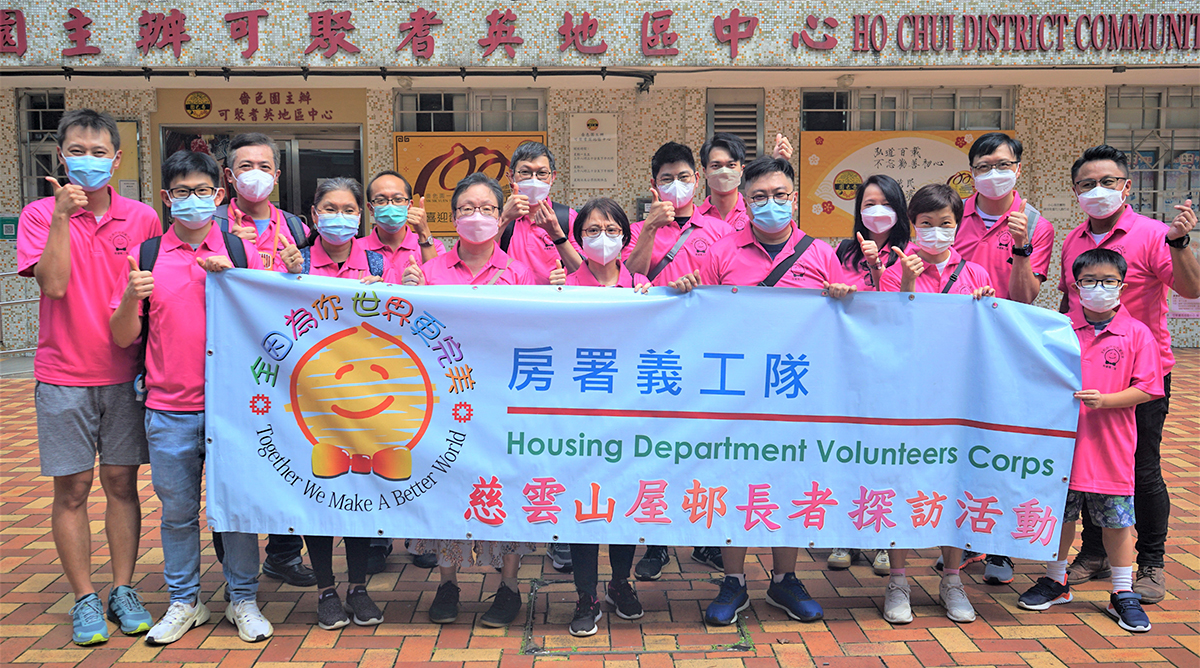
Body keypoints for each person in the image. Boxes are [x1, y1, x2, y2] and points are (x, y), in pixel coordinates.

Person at [109, 150, 280, 645]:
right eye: (182, 192)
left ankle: (242, 598)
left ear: (219, 195)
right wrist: (131, 296)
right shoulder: (144, 257)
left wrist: (236, 279)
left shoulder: (240, 253)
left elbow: (269, 327)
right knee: (178, 514)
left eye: (202, 191)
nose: (193, 200)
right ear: (166, 198)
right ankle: (185, 601)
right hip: (168, 410)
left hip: (233, 411)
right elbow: (122, 336)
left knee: (237, 510)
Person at [685, 155, 855, 626]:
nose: (770, 204)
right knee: (734, 479)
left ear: (794, 198)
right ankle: (733, 581)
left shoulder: (820, 254)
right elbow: (699, 318)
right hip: (736, 393)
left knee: (791, 480)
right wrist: (685, 291)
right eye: (759, 196)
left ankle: (784, 579)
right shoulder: (721, 251)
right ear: (744, 200)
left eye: (779, 195)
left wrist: (845, 297)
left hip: (796, 392)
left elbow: (849, 323)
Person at [16, 109, 161, 645]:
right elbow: (53, 285)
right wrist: (61, 216)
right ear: (61, 156)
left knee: (122, 483)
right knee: (72, 488)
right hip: (63, 375)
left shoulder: (143, 218)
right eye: (77, 151)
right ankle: (83, 597)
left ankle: (123, 589)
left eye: (99, 153)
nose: (88, 161)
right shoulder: (38, 214)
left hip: (125, 374)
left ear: (117, 160)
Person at [1057, 145, 1199, 603]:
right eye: (1087, 184)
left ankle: (1151, 562)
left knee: (1142, 469)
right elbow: (1067, 301)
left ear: (1126, 186)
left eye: (1108, 182)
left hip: (1141, 377)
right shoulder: (1073, 241)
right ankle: (1094, 553)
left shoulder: (1154, 234)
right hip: (1085, 377)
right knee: (1087, 466)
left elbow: (1191, 288)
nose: (1097, 190)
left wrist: (1181, 243)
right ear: (1075, 190)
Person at [402, 173, 535, 627]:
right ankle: (448, 583)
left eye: (486, 209)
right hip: (445, 404)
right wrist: (407, 294)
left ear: (501, 217)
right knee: (446, 487)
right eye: (466, 209)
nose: (476, 216)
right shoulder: (430, 272)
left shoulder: (519, 273)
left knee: (504, 489)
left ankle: (509, 586)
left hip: (501, 402)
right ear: (453, 216)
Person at [1017, 248, 1161, 634]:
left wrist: (1106, 401)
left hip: (1111, 447)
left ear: (1122, 286)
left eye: (1108, 281)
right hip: (1061, 447)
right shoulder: (1060, 330)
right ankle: (1056, 580)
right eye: (1089, 281)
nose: (1099, 288)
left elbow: (1148, 387)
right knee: (1060, 517)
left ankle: (1122, 591)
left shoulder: (1137, 334)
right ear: (1075, 286)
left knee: (1117, 522)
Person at [877, 183, 994, 626]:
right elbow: (889, 328)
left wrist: (987, 306)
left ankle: (952, 579)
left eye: (945, 224)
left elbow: (989, 335)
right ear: (912, 225)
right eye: (926, 223)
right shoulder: (895, 271)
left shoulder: (976, 274)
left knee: (956, 483)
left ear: (958, 225)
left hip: (959, 399)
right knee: (901, 481)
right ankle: (898, 581)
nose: (936, 231)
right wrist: (908, 281)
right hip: (907, 397)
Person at [950, 134, 1058, 585]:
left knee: (1001, 446)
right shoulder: (954, 216)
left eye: (1002, 164)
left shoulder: (1035, 224)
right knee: (960, 442)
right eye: (982, 166)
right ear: (970, 172)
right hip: (957, 349)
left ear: (1018, 168)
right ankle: (963, 537)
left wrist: (1021, 246)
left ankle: (1000, 548)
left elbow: (1025, 296)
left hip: (1007, 351)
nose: (992, 174)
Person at [210, 132, 317, 589]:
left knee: (288, 454)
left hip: (285, 364)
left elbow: (310, 291)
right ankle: (234, 565)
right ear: (229, 176)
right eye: (245, 166)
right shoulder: (211, 222)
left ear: (277, 174)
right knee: (233, 462)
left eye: (264, 166)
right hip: (231, 363)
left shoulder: (295, 227)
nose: (255, 174)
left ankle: (283, 554)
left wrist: (297, 271)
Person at [623, 141, 734, 580]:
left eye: (683, 177)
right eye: (666, 178)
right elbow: (631, 276)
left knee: (703, 443)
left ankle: (707, 538)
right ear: (653, 183)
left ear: (697, 179)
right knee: (657, 445)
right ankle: (657, 542)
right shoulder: (638, 228)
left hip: (705, 350)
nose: (676, 185)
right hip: (654, 354)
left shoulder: (720, 230)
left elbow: (731, 285)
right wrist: (650, 229)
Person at [286, 177, 387, 630]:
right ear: (313, 214)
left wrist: (394, 288)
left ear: (360, 216)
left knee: (362, 493)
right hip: (313, 399)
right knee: (320, 494)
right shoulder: (298, 262)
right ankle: (326, 589)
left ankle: (358, 587)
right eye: (330, 208)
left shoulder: (377, 262)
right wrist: (287, 278)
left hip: (369, 400)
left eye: (348, 209)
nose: (339, 217)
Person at [546, 197, 647, 636]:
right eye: (591, 230)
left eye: (611, 230)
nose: (602, 238)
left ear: (625, 237)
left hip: (629, 416)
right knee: (583, 504)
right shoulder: (562, 286)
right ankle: (585, 594)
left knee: (625, 500)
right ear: (578, 238)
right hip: (579, 419)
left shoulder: (642, 285)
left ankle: (620, 583)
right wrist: (552, 298)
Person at [823, 175, 912, 576]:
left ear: (899, 209)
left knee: (886, 450)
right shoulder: (843, 252)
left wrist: (879, 270)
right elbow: (826, 297)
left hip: (894, 368)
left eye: (885, 203)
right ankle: (847, 533)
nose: (877, 211)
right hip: (849, 364)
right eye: (868, 204)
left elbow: (906, 307)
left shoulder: (913, 252)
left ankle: (883, 537)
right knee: (849, 449)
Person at [497, 141, 583, 284]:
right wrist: (504, 218)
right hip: (511, 296)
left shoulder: (568, 217)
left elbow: (583, 272)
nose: (534, 179)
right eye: (525, 172)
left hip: (554, 297)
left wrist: (556, 232)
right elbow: (481, 260)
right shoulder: (498, 216)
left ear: (552, 177)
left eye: (542, 173)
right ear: (511, 176)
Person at [695, 132, 793, 233]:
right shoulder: (694, 218)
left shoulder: (757, 212)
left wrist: (778, 167)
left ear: (742, 170)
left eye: (731, 165)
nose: (724, 172)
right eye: (716, 166)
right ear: (705, 172)